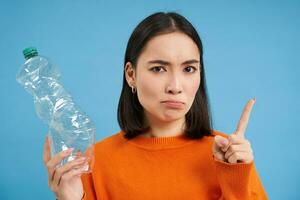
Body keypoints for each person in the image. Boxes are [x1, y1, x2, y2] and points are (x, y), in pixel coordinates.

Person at [43, 12, 268, 200]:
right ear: (131, 75)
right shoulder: (95, 161)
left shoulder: (230, 157)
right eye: (159, 68)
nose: (175, 86)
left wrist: (236, 178)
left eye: (189, 69)